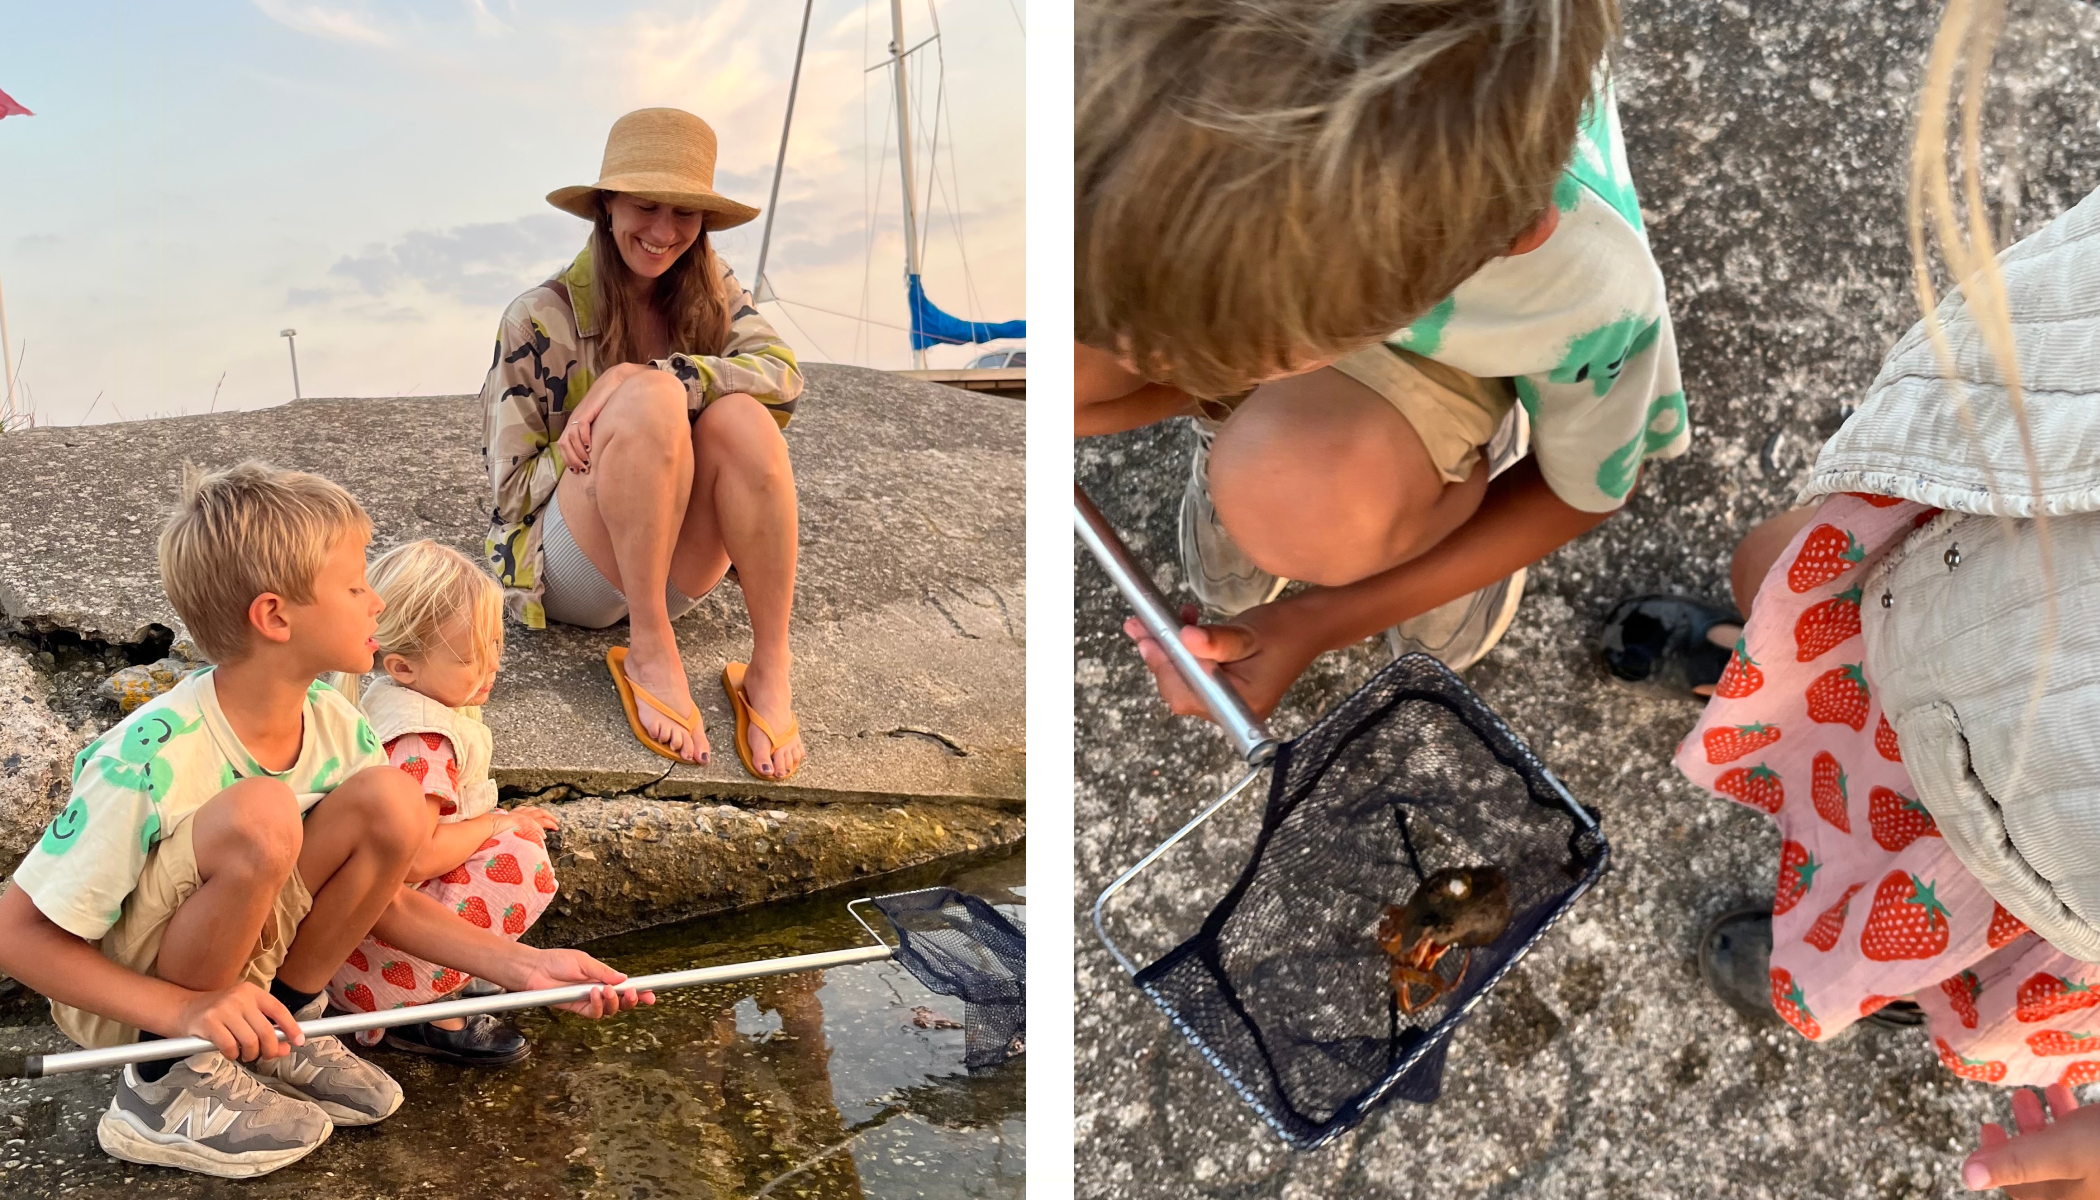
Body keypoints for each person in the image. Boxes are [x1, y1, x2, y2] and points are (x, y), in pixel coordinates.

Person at [0, 463, 649, 1178]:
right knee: (262, 814)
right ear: (275, 617)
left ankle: (284, 1022)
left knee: (392, 803)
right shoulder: (152, 753)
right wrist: (183, 1015)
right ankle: (165, 1086)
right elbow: (16, 936)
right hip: (143, 1006)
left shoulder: (336, 723)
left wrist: (529, 968)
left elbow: (389, 895)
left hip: (242, 971)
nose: (376, 602)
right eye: (355, 586)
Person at [1077, 0, 1688, 720]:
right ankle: (1239, 414)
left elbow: (1586, 489)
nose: (1146, 359)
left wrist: (1318, 623)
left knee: (1304, 508)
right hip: (1341, 278)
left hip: (1451, 325)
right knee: (1077, 372)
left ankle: (1438, 491)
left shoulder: (1583, 294)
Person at [482, 106, 808, 780]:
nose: (663, 232)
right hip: (581, 571)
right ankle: (650, 650)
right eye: (645, 206)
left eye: (684, 213)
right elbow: (510, 492)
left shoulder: (714, 293)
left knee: (740, 416)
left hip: (675, 557)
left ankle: (769, 669)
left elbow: (786, 379)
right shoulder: (538, 318)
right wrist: (611, 428)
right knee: (656, 400)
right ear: (606, 207)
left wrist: (651, 374)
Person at [326, 539, 560, 1066]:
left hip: (349, 939)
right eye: (473, 656)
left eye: (497, 644)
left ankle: (460, 975)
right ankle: (428, 1008)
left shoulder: (381, 701)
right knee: (520, 855)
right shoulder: (422, 740)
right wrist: (500, 823)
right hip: (369, 962)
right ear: (404, 667)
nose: (493, 664)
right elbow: (420, 857)